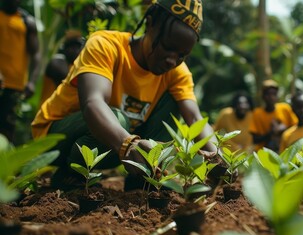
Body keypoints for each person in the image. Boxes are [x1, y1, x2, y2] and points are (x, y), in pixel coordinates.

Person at [31, 0, 215, 190]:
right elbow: (93, 103)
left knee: (175, 100)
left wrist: (218, 157)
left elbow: (194, 117)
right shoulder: (105, 45)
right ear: (149, 23)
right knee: (118, 119)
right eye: (167, 47)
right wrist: (128, 144)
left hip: (112, 143)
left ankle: (143, 179)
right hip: (57, 137)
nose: (172, 60)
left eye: (181, 55)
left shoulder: (177, 72)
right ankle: (71, 176)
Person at [0, 0, 41, 143]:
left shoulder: (27, 21)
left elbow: (36, 54)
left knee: (7, 128)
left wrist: (32, 82)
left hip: (15, 87)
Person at [249, 79, 298, 152]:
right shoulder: (257, 113)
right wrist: (271, 133)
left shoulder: (285, 108)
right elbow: (255, 139)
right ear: (263, 96)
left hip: (285, 149)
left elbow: (296, 127)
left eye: (274, 94)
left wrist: (283, 129)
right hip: (264, 152)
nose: (271, 97)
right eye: (268, 94)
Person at [40, 30, 85, 104]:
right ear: (64, 48)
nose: (76, 51)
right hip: (49, 112)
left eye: (78, 47)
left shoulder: (74, 65)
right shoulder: (57, 62)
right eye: (72, 47)